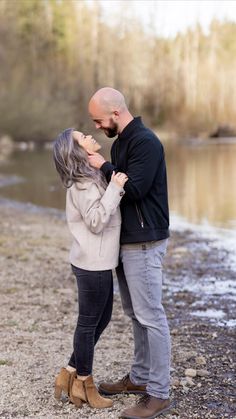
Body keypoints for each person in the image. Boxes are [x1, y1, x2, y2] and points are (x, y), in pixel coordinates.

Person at [88, 87, 171, 419]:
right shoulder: (120, 142)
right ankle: (139, 378)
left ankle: (160, 393)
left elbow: (133, 188)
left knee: (152, 316)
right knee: (136, 314)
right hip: (127, 242)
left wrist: (104, 166)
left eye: (98, 119)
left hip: (145, 242)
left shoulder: (146, 143)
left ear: (116, 113)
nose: (96, 126)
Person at [53, 127, 128, 410]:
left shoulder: (89, 175)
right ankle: (84, 383)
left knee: (102, 318)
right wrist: (115, 187)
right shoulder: (82, 184)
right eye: (82, 137)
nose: (89, 136)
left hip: (97, 261)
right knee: (88, 323)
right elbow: (96, 221)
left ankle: (70, 371)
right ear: (77, 151)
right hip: (91, 263)